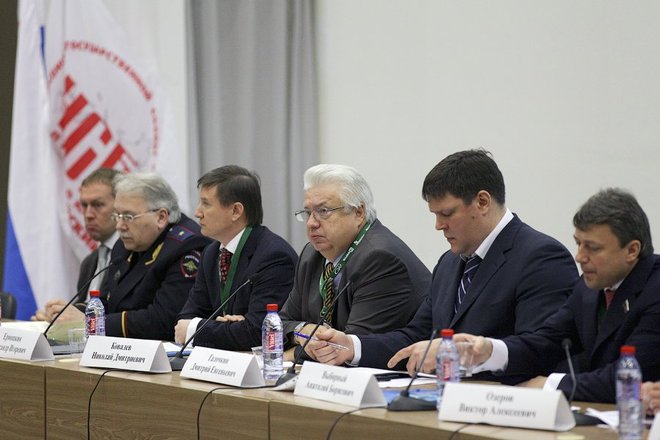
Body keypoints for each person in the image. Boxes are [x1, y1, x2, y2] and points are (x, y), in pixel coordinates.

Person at [308, 149, 578, 379]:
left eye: (446, 214)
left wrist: (470, 352)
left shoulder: (541, 257)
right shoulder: (449, 262)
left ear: (482, 201)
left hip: (503, 404)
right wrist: (352, 346)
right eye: (435, 215)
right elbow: (417, 337)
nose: (438, 225)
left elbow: (543, 347)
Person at [455, 188, 660, 403]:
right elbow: (548, 341)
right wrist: (490, 351)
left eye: (592, 248)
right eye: (579, 243)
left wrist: (550, 385)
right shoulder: (588, 288)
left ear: (631, 251)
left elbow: (629, 377)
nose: (579, 257)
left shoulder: (654, 290)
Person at [280, 163, 431, 360]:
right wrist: (303, 330)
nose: (311, 223)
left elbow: (347, 348)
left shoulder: (380, 259)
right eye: (308, 212)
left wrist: (291, 353)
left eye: (323, 211)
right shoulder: (312, 254)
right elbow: (279, 324)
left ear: (358, 213)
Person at [174, 166, 298, 350]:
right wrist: (227, 328)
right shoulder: (211, 253)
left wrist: (199, 328)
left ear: (236, 211)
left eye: (206, 204)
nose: (197, 212)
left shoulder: (274, 257)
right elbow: (186, 319)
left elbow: (259, 332)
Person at [32, 168, 121, 321]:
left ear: (120, 207)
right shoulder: (89, 262)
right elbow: (81, 313)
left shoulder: (133, 258)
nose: (88, 214)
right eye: (84, 205)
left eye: (98, 205)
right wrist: (55, 317)